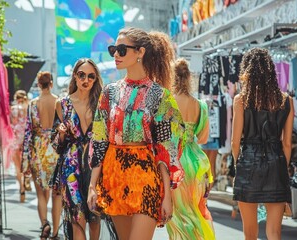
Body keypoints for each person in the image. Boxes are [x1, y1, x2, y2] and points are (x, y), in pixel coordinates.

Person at [87, 27, 185, 240]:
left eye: (122, 49)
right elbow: (99, 140)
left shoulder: (160, 95)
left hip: (145, 176)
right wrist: (92, 186)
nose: (115, 55)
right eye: (113, 49)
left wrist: (167, 196)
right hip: (114, 176)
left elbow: (166, 149)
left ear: (140, 52)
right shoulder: (110, 92)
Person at [231, 48, 294, 240]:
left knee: (250, 234)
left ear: (247, 71)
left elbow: (235, 142)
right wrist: (283, 167)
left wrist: (237, 165)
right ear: (271, 71)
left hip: (248, 165)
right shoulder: (286, 100)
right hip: (276, 164)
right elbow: (287, 144)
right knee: (274, 233)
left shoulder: (240, 100)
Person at [50, 59, 103, 240]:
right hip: (71, 166)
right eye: (81, 75)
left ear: (95, 79)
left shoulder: (101, 103)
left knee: (95, 216)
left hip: (96, 165)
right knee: (76, 215)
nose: (85, 80)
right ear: (75, 76)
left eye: (91, 76)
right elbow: (55, 144)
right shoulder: (62, 104)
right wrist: (62, 135)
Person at [166, 58, 215, 240]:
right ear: (189, 78)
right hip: (196, 162)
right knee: (195, 210)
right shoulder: (200, 105)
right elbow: (203, 138)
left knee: (177, 215)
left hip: (175, 162)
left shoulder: (168, 102)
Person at [22, 72, 62, 240]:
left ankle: (45, 223)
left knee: (41, 193)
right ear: (51, 84)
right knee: (56, 193)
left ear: (38, 85)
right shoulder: (59, 102)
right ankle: (54, 233)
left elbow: (28, 134)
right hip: (55, 150)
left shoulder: (32, 104)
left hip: (38, 151)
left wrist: (25, 160)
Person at [9, 90, 29, 202]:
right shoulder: (28, 108)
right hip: (26, 139)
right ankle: (26, 180)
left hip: (15, 138)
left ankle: (21, 188)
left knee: (17, 167)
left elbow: (12, 124)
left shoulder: (13, 109)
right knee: (26, 164)